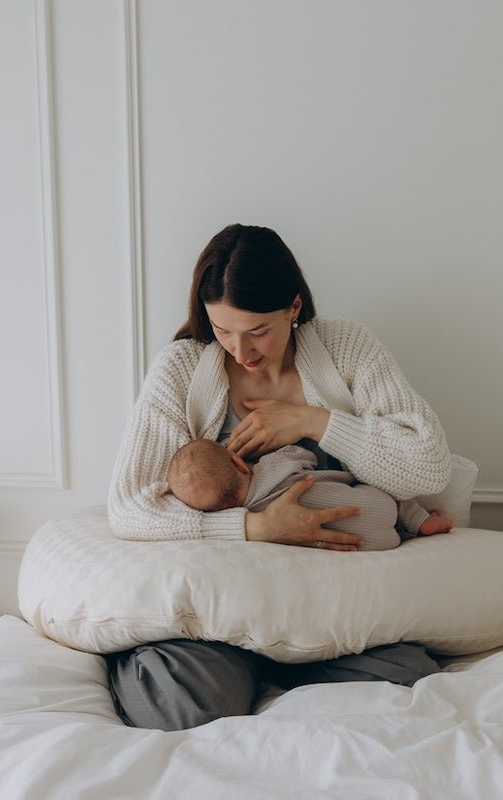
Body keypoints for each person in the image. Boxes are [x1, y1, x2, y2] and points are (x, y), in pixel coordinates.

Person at [105, 223, 452, 731]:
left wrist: (316, 421)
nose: (240, 351)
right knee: (183, 703)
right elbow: (129, 504)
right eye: (222, 330)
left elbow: (429, 463)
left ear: (293, 307)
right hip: (226, 608)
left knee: (411, 680)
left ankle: (289, 669)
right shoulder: (182, 369)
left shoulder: (346, 347)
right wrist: (257, 528)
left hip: (331, 605)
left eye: (258, 331)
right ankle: (240, 671)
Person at [166, 437, 454, 551]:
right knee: (382, 486)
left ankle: (404, 533)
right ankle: (419, 520)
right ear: (239, 462)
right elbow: (306, 455)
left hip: (373, 547)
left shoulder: (249, 519)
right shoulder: (273, 464)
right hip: (376, 502)